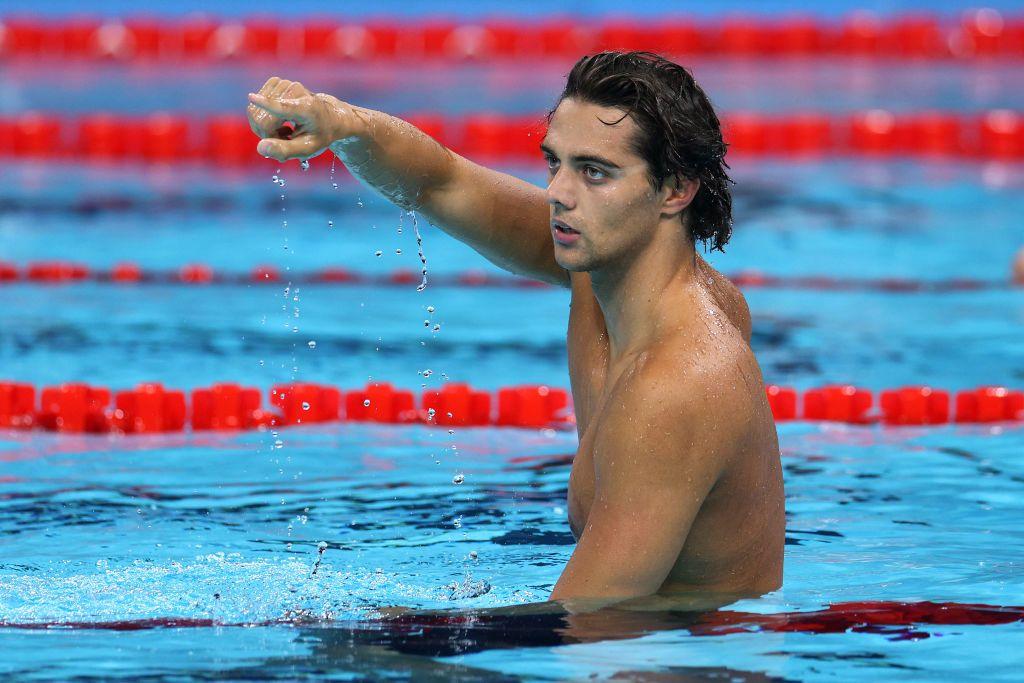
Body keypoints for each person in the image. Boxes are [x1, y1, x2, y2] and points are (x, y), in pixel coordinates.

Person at [247, 51, 784, 611]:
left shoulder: (677, 382)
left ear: (676, 189)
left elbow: (587, 621)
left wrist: (410, 633)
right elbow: (441, 184)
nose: (558, 193)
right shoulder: (602, 267)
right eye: (556, 164)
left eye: (594, 172)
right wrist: (340, 122)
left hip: (696, 660)